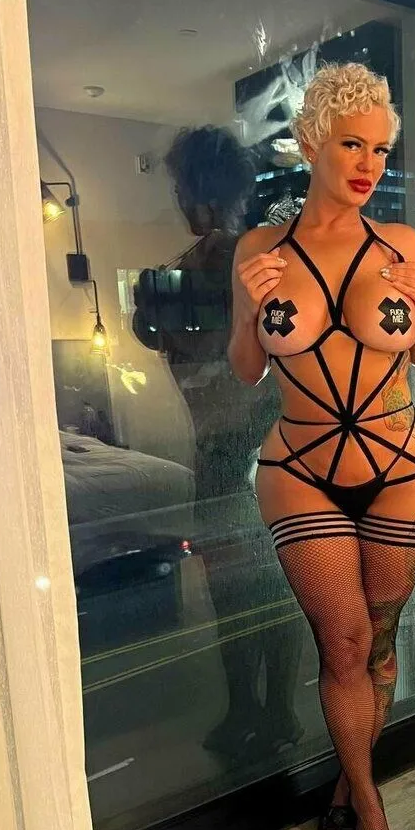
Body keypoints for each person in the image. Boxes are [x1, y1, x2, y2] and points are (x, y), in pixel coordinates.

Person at [228, 63, 415, 830]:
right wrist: (250, 309)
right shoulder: (260, 251)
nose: (369, 165)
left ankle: (345, 792)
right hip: (300, 468)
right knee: (344, 642)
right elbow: (245, 368)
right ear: (312, 142)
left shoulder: (401, 246)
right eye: (352, 145)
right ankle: (373, 809)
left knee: (378, 645)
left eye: (381, 150)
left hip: (402, 464)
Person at [146, 125, 306, 759]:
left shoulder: (247, 268)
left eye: (182, 190)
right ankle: (255, 709)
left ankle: (272, 710)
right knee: (247, 589)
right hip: (234, 453)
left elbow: (284, 365)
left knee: (257, 589)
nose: (182, 202)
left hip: (249, 453)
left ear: (198, 195)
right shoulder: (197, 272)